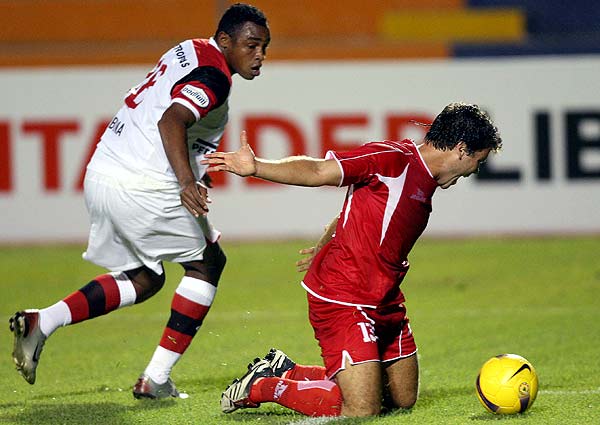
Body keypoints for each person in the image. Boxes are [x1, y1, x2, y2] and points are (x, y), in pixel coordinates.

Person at [8, 3, 270, 400]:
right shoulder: (215, 77)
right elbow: (171, 120)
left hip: (102, 173)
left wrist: (195, 164)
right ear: (225, 41)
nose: (260, 56)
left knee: (146, 278)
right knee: (207, 263)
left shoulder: (189, 49)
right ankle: (156, 380)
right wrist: (185, 180)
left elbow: (160, 116)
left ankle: (41, 321)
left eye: (265, 47)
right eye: (251, 45)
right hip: (144, 185)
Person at [203, 102, 502, 417]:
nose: (473, 172)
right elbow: (319, 170)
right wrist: (257, 167)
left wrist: (326, 239)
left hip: (385, 299)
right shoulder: (392, 159)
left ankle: (286, 370)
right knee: (362, 409)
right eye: (477, 162)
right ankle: (262, 386)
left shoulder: (425, 182)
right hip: (343, 297)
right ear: (460, 150)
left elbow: (361, 205)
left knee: (401, 399)